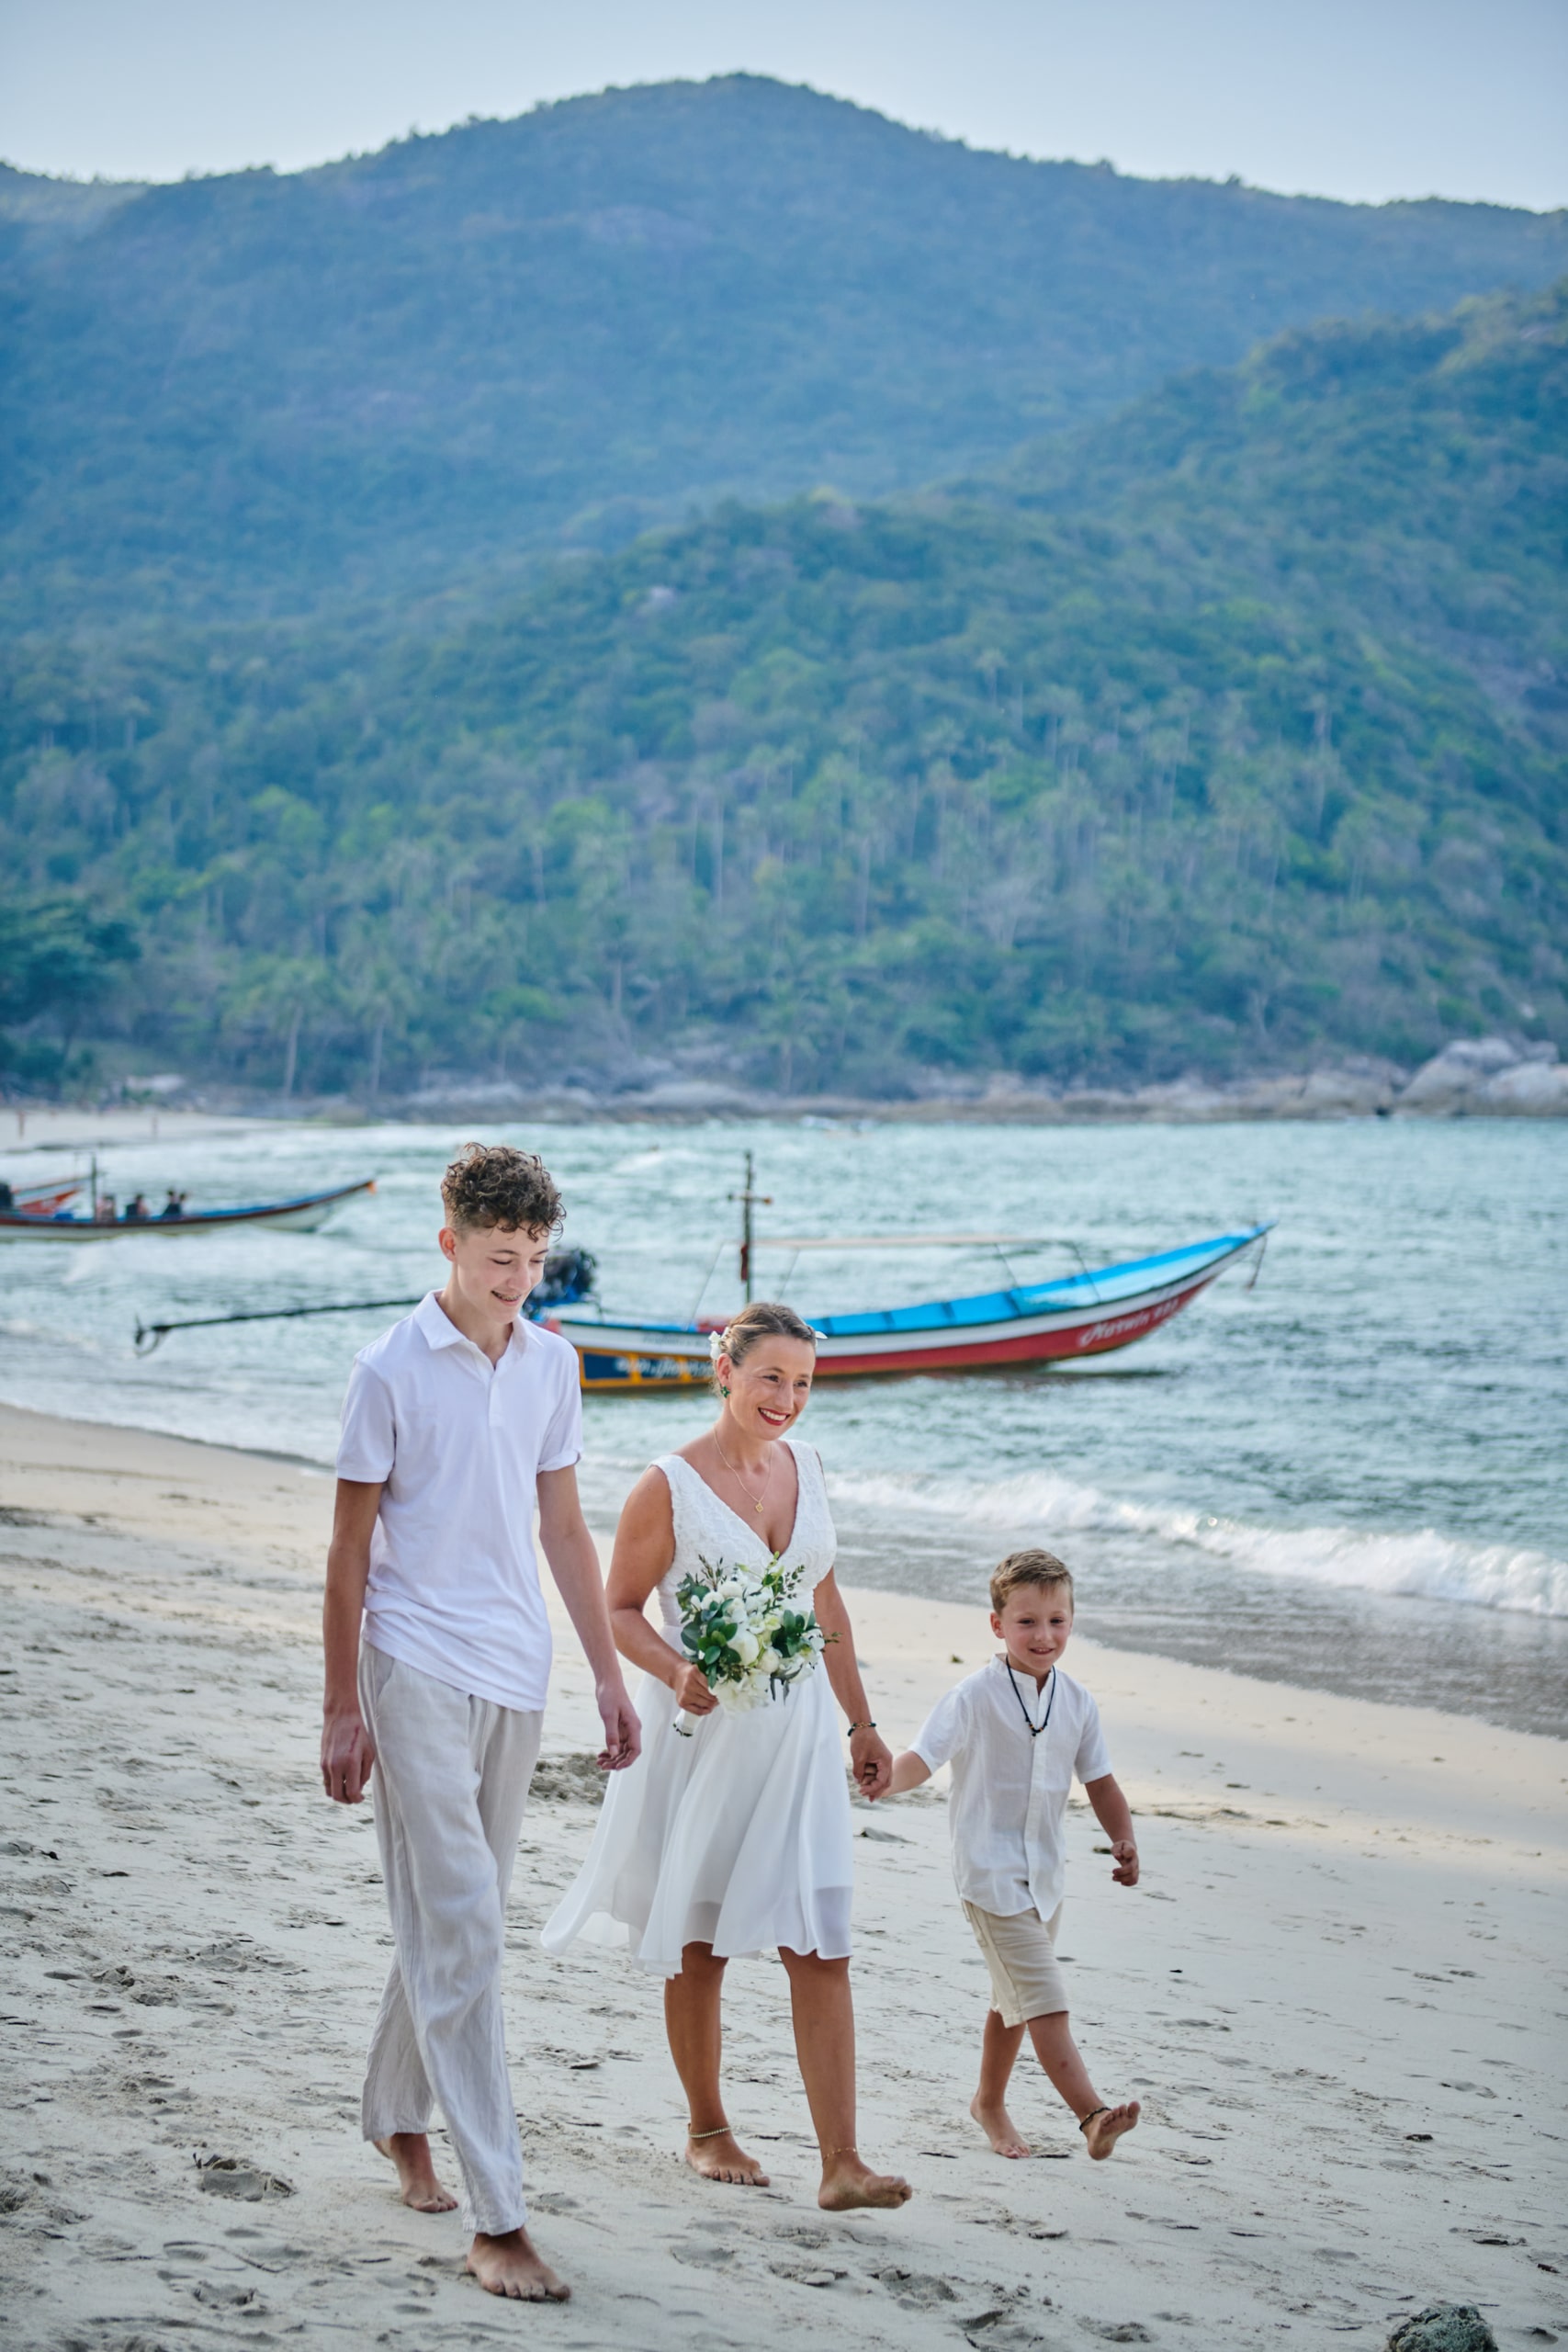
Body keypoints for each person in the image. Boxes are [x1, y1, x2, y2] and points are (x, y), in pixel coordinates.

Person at [321, 1141, 641, 2303]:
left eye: (535, 1260)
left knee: (461, 1917)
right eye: (500, 1257)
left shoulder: (552, 1365)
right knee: (463, 1924)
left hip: (517, 1668)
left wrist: (608, 1675)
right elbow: (350, 1551)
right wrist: (338, 1708)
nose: (518, 1279)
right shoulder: (389, 1369)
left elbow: (564, 1527)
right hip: (408, 1665)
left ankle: (396, 2113)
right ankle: (500, 2215)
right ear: (448, 1241)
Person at [542, 1301, 913, 2214]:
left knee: (821, 1943)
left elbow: (827, 1609)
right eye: (771, 1378)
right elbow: (622, 1605)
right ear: (726, 1371)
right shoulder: (666, 1485)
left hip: (796, 1742)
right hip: (705, 1739)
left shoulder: (809, 1469)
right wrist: (675, 1667)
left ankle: (843, 2161)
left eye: (803, 1383)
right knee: (698, 1942)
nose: (787, 1399)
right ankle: (708, 2129)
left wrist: (863, 1724)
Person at [877, 1549, 1142, 2162]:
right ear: (997, 1624)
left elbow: (1099, 1781)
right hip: (990, 1876)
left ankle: (987, 2103)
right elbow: (923, 1758)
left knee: (1012, 2001)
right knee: (1044, 1995)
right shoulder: (971, 1696)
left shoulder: (1076, 1701)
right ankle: (1091, 2116)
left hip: (1044, 1876)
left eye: (1056, 1621)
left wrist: (1122, 1837)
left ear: (1071, 1622)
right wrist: (885, 1779)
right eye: (1026, 1622)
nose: (1042, 1636)